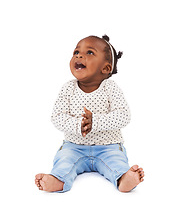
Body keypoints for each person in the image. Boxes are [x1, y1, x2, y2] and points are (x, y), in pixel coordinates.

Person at [35, 35, 144, 193]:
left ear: (105, 68)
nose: (79, 56)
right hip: (74, 146)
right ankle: (58, 179)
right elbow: (57, 116)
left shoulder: (110, 88)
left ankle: (123, 178)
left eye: (89, 53)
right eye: (76, 52)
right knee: (64, 160)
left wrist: (96, 122)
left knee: (116, 161)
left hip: (108, 147)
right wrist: (78, 125)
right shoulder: (68, 88)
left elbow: (123, 115)